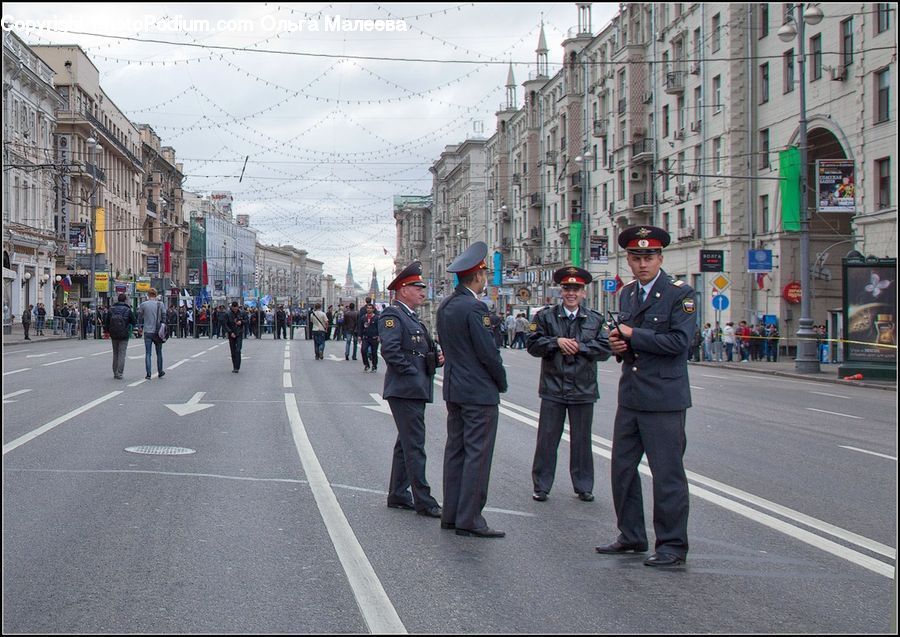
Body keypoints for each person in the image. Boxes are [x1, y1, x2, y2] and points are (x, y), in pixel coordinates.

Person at [596, 226, 696, 567]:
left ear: (660, 259)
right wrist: (618, 345)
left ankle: (671, 545)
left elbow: (679, 344)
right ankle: (632, 535)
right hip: (632, 396)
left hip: (665, 398)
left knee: (667, 474)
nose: (642, 264)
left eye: (649, 257)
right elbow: (628, 343)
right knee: (622, 469)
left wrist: (632, 334)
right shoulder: (628, 295)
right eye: (636, 258)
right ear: (628, 259)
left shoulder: (680, 294)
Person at [436, 241, 508, 538]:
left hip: (455, 389)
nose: (485, 279)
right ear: (477, 276)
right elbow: (488, 352)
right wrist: (501, 381)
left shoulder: (446, 306)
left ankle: (451, 514)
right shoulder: (475, 309)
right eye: (484, 275)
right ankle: (471, 519)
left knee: (456, 451)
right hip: (478, 392)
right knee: (477, 455)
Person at [527, 266, 611, 503]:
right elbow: (533, 345)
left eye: (576, 289)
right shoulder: (545, 317)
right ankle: (541, 486)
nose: (571, 293)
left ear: (583, 292)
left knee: (582, 441)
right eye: (567, 288)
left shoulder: (595, 319)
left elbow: (605, 349)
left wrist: (580, 347)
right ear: (560, 291)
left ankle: (584, 486)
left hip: (583, 389)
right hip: (553, 387)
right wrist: (556, 342)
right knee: (547, 439)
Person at [379, 261, 445, 518]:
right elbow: (391, 351)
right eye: (418, 287)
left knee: (404, 444)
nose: (422, 292)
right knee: (415, 444)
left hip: (414, 387)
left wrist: (434, 357)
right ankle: (424, 500)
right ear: (403, 289)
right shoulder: (392, 315)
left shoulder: (411, 317)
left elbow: (417, 348)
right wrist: (412, 373)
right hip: (405, 389)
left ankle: (398, 493)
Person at [104, 292, 137, 379]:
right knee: (122, 354)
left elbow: (106, 321)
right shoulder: (128, 310)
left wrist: (107, 331)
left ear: (117, 299)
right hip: (124, 334)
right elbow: (134, 321)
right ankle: (119, 372)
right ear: (125, 300)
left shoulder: (111, 309)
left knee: (115, 353)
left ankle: (115, 372)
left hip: (113, 334)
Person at [137, 288, 167, 380]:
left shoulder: (143, 305)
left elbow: (139, 317)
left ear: (148, 295)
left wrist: (140, 328)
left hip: (147, 331)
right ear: (156, 295)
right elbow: (164, 317)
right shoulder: (160, 304)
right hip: (158, 332)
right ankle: (160, 371)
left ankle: (148, 373)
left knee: (148, 353)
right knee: (159, 353)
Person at [225, 301, 247, 373]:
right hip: (231, 334)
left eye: (236, 308)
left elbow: (247, 320)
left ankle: (237, 367)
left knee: (238, 350)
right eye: (233, 309)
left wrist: (241, 322)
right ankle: (235, 366)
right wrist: (230, 332)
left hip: (239, 333)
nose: (235, 310)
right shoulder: (228, 314)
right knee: (233, 351)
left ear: (238, 307)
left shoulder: (242, 313)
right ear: (231, 307)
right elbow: (225, 324)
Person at [359, 303, 380, 372]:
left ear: (373, 309)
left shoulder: (376, 318)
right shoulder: (363, 318)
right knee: (363, 350)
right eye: (368, 308)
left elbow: (379, 328)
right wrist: (360, 336)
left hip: (374, 338)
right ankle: (366, 365)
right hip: (366, 337)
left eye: (370, 308)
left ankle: (374, 366)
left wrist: (379, 336)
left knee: (374, 353)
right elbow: (361, 328)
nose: (369, 309)